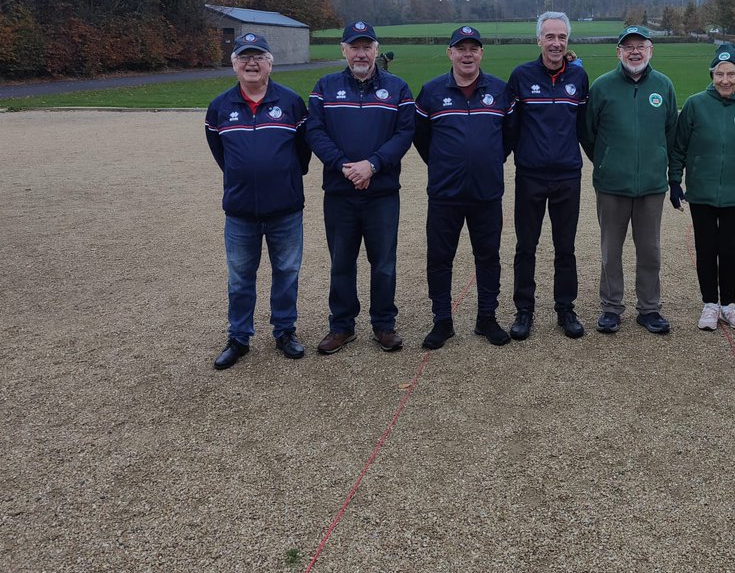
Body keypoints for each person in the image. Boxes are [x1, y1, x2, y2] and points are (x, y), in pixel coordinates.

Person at [204, 33, 311, 370]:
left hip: (285, 210)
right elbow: (221, 153)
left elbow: (303, 154)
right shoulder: (220, 107)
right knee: (239, 277)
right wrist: (246, 176)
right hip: (240, 213)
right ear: (234, 63)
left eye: (259, 56)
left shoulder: (292, 102)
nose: (251, 63)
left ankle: (284, 331)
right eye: (244, 57)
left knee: (287, 273)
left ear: (270, 63)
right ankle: (238, 337)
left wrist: (281, 178)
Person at [306, 21, 415, 354]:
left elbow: (405, 133)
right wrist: (344, 165)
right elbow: (315, 132)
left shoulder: (398, 88)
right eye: (354, 47)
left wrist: (373, 165)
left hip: (381, 192)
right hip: (340, 192)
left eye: (367, 46)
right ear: (344, 50)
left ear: (376, 50)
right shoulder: (325, 86)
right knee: (341, 261)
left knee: (383, 262)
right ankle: (342, 326)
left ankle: (383, 324)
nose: (361, 53)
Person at [414, 26, 517, 349]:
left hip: (487, 193)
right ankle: (442, 321)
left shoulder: (500, 91)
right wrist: (446, 163)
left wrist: (484, 161)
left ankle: (487, 318)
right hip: (445, 194)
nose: (467, 54)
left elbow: (509, 137)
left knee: (488, 257)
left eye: (474, 48)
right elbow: (421, 138)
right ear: (450, 53)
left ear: (481, 53)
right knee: (440, 258)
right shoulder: (431, 92)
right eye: (461, 48)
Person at [581, 25, 678, 334]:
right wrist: (607, 161)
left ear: (651, 51)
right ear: (618, 52)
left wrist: (665, 170)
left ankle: (649, 309)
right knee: (611, 250)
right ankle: (611, 308)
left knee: (649, 250)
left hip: (651, 185)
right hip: (612, 185)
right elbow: (588, 132)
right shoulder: (602, 86)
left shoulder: (663, 85)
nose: (634, 51)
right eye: (628, 46)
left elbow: (672, 133)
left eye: (641, 46)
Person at [668, 43, 735, 331]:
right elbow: (678, 147)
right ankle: (710, 303)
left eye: (731, 74)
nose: (725, 80)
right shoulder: (695, 104)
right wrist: (674, 180)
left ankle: (729, 304)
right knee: (706, 248)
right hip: (701, 192)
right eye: (719, 74)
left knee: (730, 250)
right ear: (712, 75)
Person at [506, 11, 590, 340]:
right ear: (538, 39)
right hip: (530, 175)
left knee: (565, 247)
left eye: (562, 38)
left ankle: (565, 308)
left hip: (568, 175)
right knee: (526, 245)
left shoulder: (579, 78)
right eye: (550, 37)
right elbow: (510, 128)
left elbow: (584, 127)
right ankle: (523, 310)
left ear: (568, 42)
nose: (556, 43)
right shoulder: (521, 76)